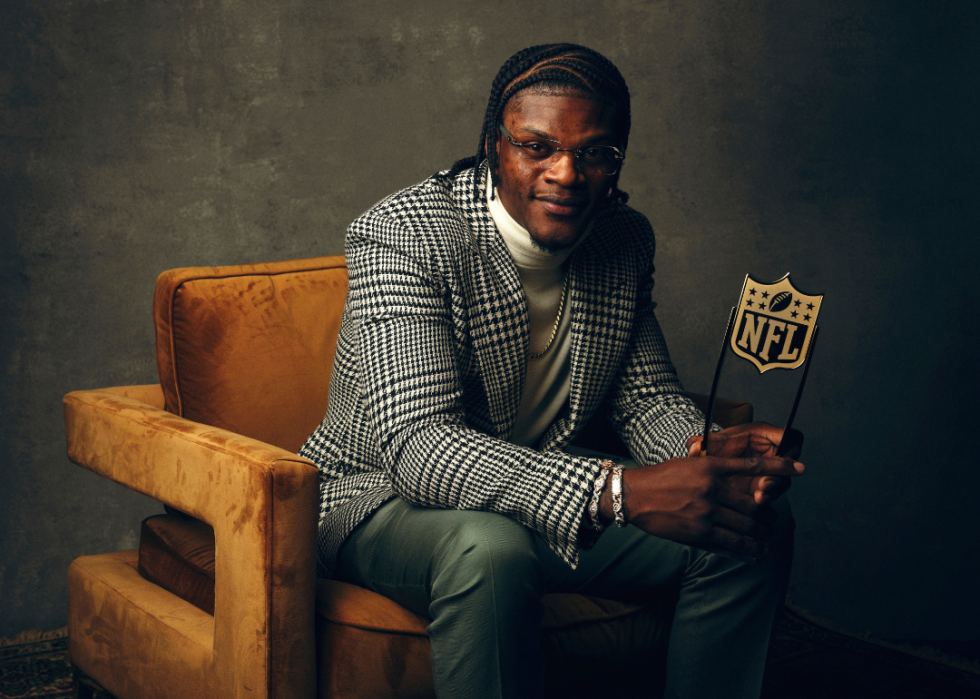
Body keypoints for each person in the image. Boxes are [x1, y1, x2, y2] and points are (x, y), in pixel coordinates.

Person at [300, 43, 804, 699]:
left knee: (741, 524)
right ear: (492, 147)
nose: (566, 173)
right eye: (537, 147)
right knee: (490, 547)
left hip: (536, 494)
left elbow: (646, 398)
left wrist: (709, 454)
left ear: (616, 159)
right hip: (382, 500)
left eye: (595, 152)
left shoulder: (621, 238)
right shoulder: (404, 233)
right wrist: (621, 490)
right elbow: (421, 448)